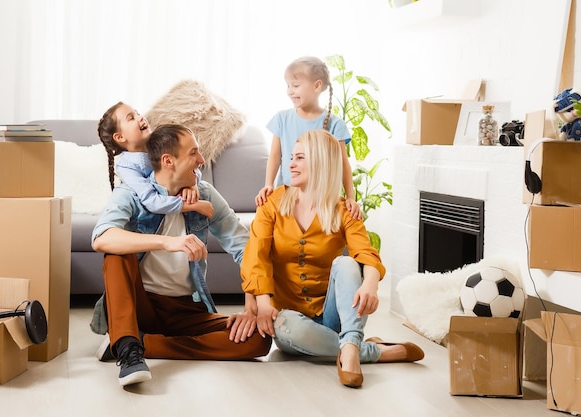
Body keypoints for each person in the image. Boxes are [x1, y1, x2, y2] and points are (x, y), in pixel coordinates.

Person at [91, 121, 272, 387]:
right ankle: (128, 348)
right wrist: (167, 242)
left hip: (188, 309)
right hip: (142, 305)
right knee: (116, 253)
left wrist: (252, 303)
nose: (201, 160)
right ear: (168, 161)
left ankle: (141, 343)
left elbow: (245, 247)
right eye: (193, 153)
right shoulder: (131, 194)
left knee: (258, 338)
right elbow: (101, 237)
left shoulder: (205, 195)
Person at [241, 130, 424, 389]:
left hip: (334, 316)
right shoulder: (272, 203)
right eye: (291, 157)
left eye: (300, 158)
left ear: (321, 161)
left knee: (347, 263)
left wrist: (370, 284)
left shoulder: (343, 210)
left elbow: (366, 253)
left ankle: (349, 347)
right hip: (290, 318)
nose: (290, 164)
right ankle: (370, 350)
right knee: (283, 327)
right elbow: (256, 254)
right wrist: (262, 302)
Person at [255, 56, 363, 220]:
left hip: (321, 201)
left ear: (317, 86)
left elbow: (343, 164)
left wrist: (350, 197)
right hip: (286, 198)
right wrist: (268, 184)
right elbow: (275, 157)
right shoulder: (282, 119)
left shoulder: (335, 124)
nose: (290, 91)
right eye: (288, 86)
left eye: (296, 86)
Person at [98, 101, 213, 218]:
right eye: (131, 118)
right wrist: (193, 205)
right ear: (120, 137)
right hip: (148, 222)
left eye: (137, 113)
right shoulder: (126, 166)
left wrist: (191, 186)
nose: (140, 117)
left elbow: (191, 167)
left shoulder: (160, 145)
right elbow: (151, 200)